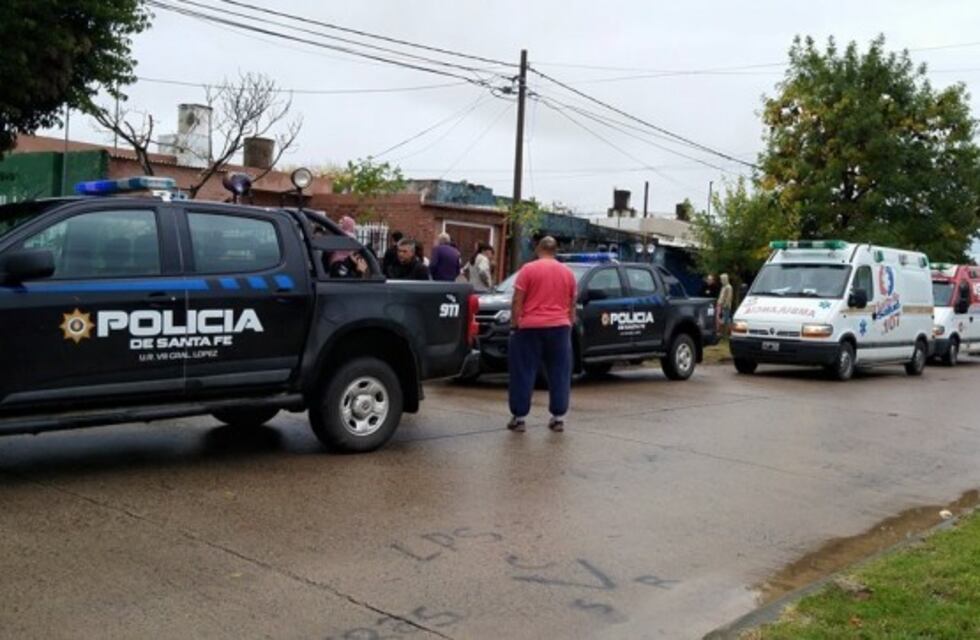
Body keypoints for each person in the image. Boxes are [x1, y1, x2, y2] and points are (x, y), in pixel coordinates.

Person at [507, 236, 577, 434]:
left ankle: (519, 418)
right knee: (559, 372)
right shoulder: (568, 273)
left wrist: (515, 323)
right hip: (559, 327)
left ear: (538, 249)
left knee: (523, 371)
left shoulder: (528, 270)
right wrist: (569, 324)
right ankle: (558, 418)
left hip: (530, 327)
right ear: (556, 251)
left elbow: (517, 300)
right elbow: (572, 303)